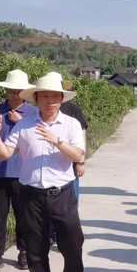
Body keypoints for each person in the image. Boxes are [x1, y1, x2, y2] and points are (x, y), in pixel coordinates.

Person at [0, 74, 90, 272]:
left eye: (55, 96)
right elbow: (3, 155)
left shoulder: (70, 124)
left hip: (62, 194)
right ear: (36, 98)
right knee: (35, 250)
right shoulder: (24, 124)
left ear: (61, 99)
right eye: (45, 95)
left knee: (73, 242)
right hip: (30, 196)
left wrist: (56, 141)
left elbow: (78, 155)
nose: (50, 100)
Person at [0, 69, 39, 272]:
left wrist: (20, 124)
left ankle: (24, 253)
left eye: (19, 91)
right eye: (11, 91)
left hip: (24, 175)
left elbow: (39, 140)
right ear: (5, 91)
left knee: (24, 217)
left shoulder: (33, 114)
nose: (15, 95)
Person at [45, 72, 88, 245]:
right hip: (47, 165)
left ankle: (66, 234)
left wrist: (80, 161)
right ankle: (50, 234)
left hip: (69, 163)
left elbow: (82, 134)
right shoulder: (39, 111)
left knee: (70, 201)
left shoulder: (73, 109)